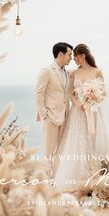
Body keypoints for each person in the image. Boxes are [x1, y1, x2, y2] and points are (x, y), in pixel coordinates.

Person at [53, 43, 109, 191]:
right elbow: (70, 94)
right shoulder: (74, 73)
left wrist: (94, 99)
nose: (74, 60)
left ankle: (97, 174)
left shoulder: (97, 72)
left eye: (76, 57)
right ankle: (76, 178)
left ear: (83, 56)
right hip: (78, 112)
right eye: (72, 57)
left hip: (94, 111)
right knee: (77, 141)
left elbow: (104, 93)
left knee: (95, 139)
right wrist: (78, 104)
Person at [34, 42, 73, 172]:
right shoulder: (47, 71)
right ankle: (45, 180)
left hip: (65, 116)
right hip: (51, 116)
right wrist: (44, 114)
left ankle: (55, 177)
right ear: (60, 54)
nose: (71, 58)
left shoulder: (67, 72)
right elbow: (38, 93)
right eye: (69, 54)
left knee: (60, 150)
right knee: (48, 152)